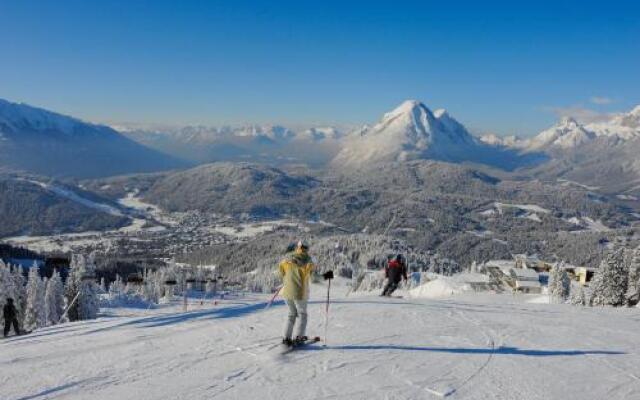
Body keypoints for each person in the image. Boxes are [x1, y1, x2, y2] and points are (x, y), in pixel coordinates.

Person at [278, 240, 331, 345]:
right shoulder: (307, 262)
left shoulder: (286, 260)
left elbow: (281, 272)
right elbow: (314, 278)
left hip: (286, 292)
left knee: (291, 314)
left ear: (298, 248)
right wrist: (326, 276)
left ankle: (286, 338)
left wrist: (286, 280)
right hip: (299, 293)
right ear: (306, 249)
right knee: (302, 314)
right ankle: (299, 337)